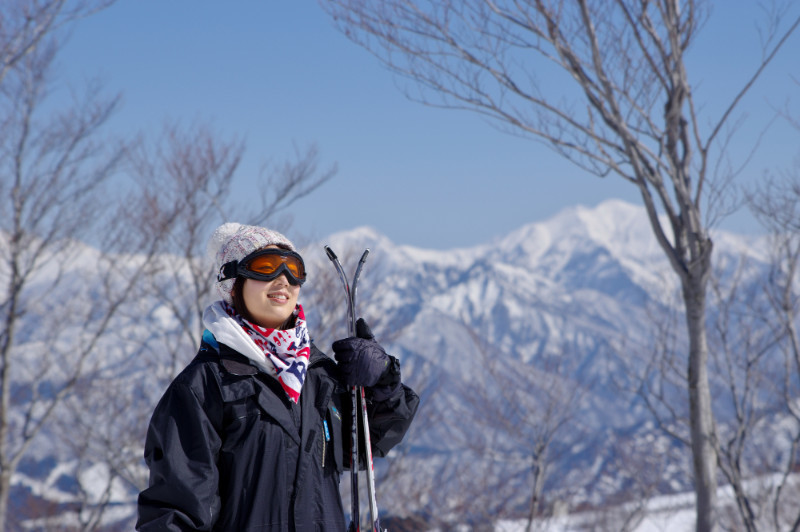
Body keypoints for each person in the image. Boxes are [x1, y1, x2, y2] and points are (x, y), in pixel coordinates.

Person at [136, 223, 419, 531]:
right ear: (234, 283)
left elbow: (367, 446)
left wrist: (383, 383)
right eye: (266, 267)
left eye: (294, 268)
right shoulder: (205, 385)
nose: (284, 280)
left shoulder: (319, 376)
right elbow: (175, 512)